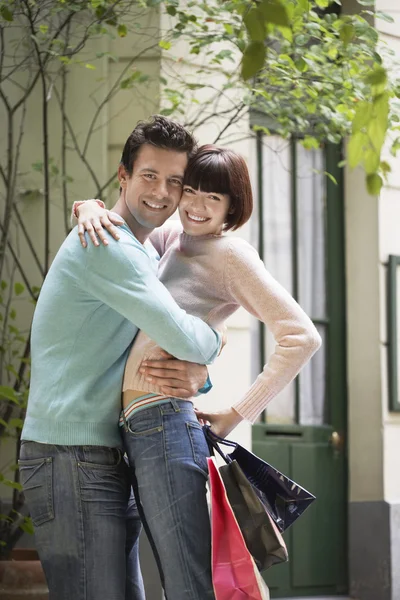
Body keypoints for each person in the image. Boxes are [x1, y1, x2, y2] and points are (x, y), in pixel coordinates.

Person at [74, 144, 322, 600]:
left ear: (233, 206)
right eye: (191, 190)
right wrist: (89, 206)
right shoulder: (175, 241)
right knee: (171, 579)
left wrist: (237, 412)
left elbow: (302, 337)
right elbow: (129, 228)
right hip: (133, 427)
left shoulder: (232, 255)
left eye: (214, 198)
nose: (196, 205)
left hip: (166, 422)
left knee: (188, 582)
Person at [18, 116, 224, 600]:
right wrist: (215, 345)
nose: (162, 192)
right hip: (70, 456)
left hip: (102, 454)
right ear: (123, 176)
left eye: (175, 181)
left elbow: (153, 343)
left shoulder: (143, 248)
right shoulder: (110, 246)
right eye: (149, 175)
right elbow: (187, 338)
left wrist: (201, 378)